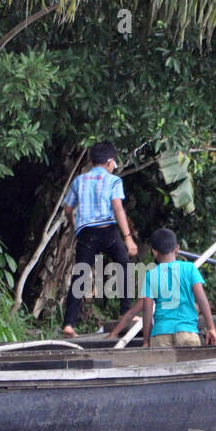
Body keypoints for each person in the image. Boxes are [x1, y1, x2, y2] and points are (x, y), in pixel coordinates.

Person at [61, 142, 137, 336]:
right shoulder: (113, 181)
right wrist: (128, 238)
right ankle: (126, 311)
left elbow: (68, 209)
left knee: (80, 275)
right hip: (108, 232)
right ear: (110, 162)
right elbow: (118, 208)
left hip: (86, 233)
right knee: (124, 266)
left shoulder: (79, 180)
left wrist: (74, 224)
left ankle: (69, 324)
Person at [108, 228, 216, 347]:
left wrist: (146, 340)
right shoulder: (190, 268)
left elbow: (147, 310)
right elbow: (202, 300)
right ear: (177, 249)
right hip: (187, 332)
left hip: (160, 334)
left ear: (154, 252)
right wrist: (211, 328)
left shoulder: (151, 275)